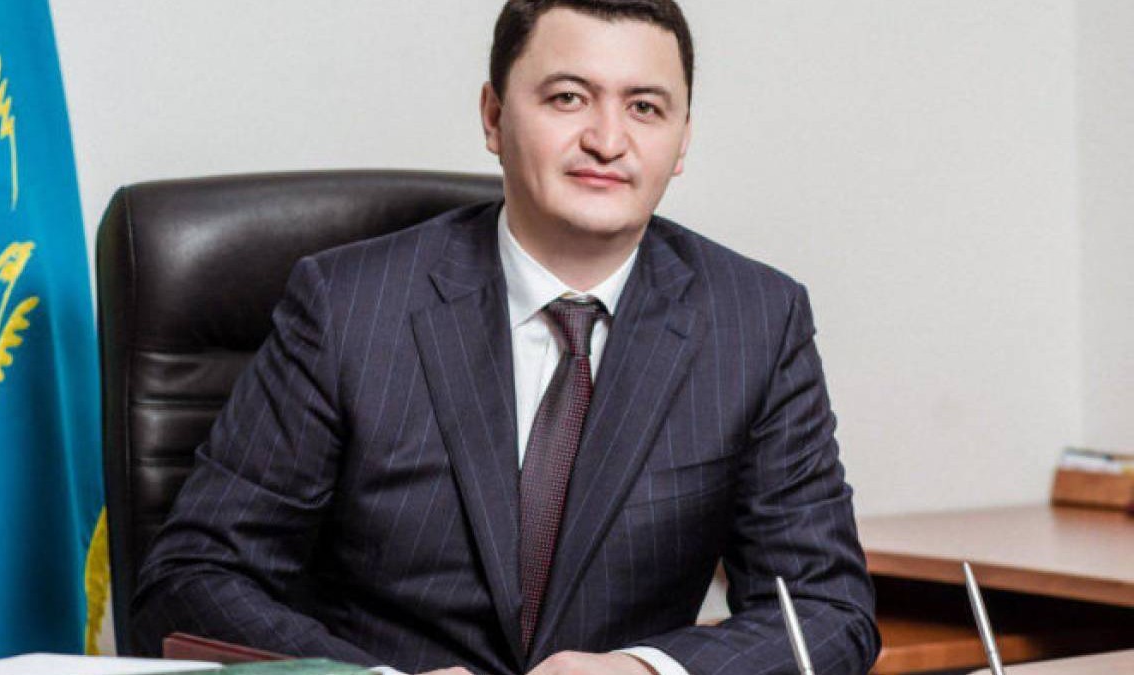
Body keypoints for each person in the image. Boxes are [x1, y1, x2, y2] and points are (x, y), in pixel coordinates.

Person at [131, 2, 880, 674]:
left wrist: (647, 671)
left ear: (681, 140)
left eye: (645, 108)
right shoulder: (347, 306)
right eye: (567, 98)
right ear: (493, 117)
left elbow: (828, 610)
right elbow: (191, 579)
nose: (607, 140)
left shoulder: (756, 320)